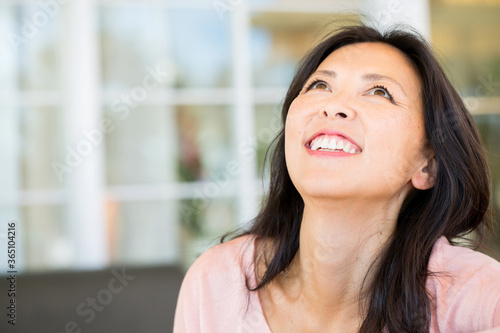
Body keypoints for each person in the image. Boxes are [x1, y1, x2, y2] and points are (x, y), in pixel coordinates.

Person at [174, 24, 500, 332]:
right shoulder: (216, 283)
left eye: (379, 92)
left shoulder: (478, 293)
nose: (334, 106)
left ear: (427, 167)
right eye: (319, 85)